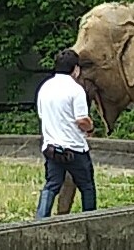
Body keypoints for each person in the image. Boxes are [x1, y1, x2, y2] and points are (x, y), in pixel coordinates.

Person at [35, 48, 96, 219]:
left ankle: (40, 219)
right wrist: (91, 127)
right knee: (86, 186)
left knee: (52, 185)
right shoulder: (75, 90)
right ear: (76, 69)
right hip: (74, 149)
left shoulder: (45, 88)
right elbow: (82, 120)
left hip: (51, 147)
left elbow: (41, 115)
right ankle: (90, 219)